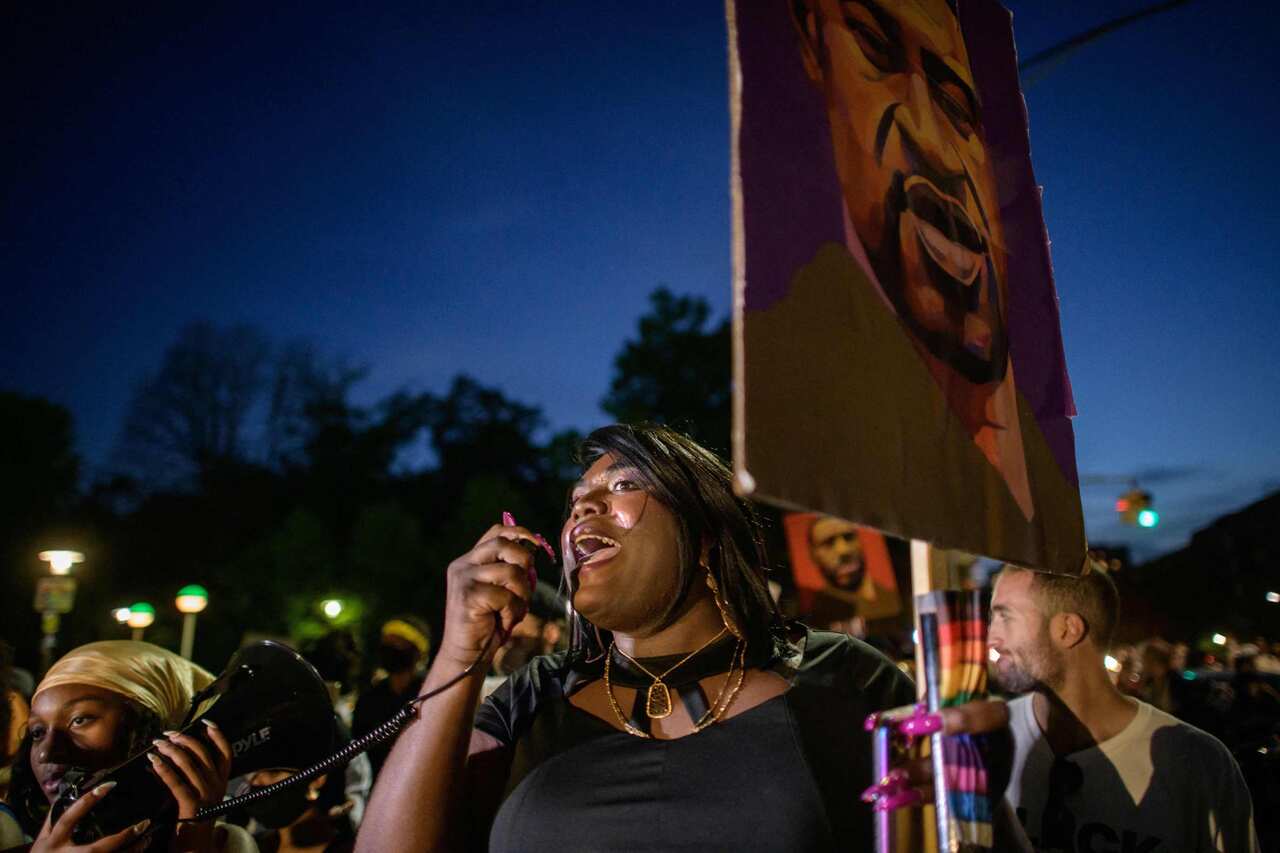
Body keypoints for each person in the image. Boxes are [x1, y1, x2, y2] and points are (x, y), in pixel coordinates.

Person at [355, 423, 917, 851]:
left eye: (624, 484)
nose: (585, 507)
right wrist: (460, 653)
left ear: (702, 535)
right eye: (576, 502)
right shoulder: (531, 700)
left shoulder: (844, 678)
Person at [988, 564, 1260, 851]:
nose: (991, 637)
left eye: (1006, 617)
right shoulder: (988, 742)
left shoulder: (1197, 762)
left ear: (1068, 629)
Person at [6, 640, 255, 852]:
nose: (48, 752)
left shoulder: (228, 845)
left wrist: (194, 840)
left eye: (80, 720)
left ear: (159, 733)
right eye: (37, 732)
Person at [350, 616, 429, 781]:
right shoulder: (369, 698)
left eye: (398, 644)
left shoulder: (431, 694)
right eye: (386, 643)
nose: (389, 649)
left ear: (416, 651)